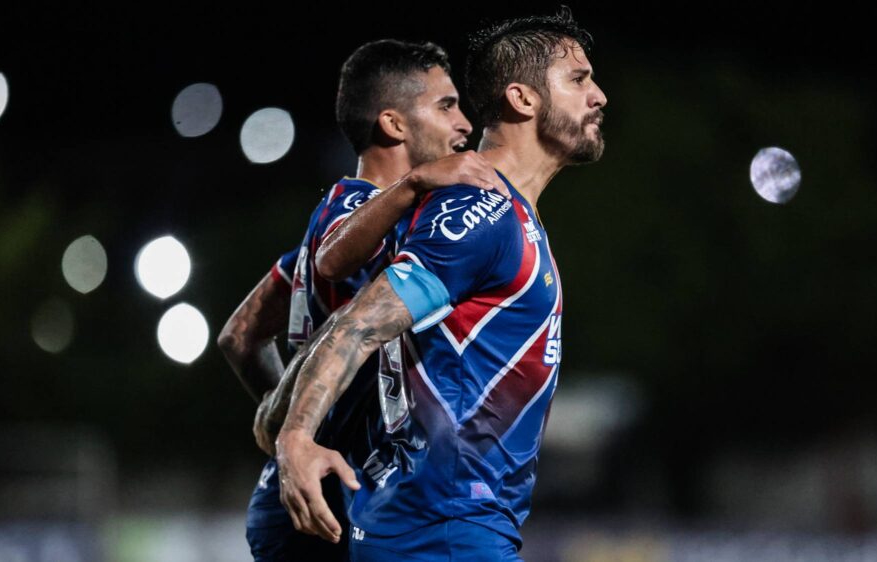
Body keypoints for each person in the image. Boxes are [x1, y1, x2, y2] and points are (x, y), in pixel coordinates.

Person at [274, 7, 607, 560]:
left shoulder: (506, 210)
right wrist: (295, 437)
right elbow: (358, 326)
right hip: (445, 529)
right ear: (522, 99)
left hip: (449, 527)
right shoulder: (482, 209)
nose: (598, 96)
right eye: (578, 79)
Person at [217, 39, 504, 561]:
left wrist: (279, 407)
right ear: (393, 125)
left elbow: (239, 335)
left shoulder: (319, 242)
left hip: (317, 497)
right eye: (446, 105)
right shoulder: (352, 205)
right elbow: (332, 259)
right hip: (325, 498)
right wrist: (413, 185)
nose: (465, 123)